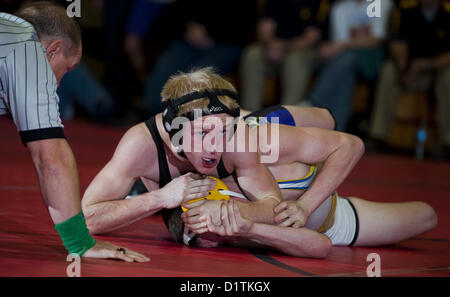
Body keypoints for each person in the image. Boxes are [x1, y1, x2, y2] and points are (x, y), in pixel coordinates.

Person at [81, 67, 437, 258]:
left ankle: (287, 114)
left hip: (304, 190)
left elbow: (272, 204)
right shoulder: (139, 146)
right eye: (204, 133)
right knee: (425, 216)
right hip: (306, 221)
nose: (214, 146)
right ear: (175, 131)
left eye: (221, 132)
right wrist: (160, 198)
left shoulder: (241, 139)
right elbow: (85, 221)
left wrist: (234, 216)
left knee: (318, 121)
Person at [0, 2, 148, 262]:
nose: (58, 83)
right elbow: (51, 159)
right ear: (53, 50)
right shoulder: (28, 49)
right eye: (66, 69)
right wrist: (80, 242)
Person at [369, 0, 450, 157]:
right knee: (388, 70)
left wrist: (426, 64)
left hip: (437, 69)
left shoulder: (447, 11)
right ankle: (378, 135)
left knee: (449, 77)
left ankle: (447, 142)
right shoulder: (404, 8)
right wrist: (402, 67)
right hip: (408, 66)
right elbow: (396, 41)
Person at [306, 0, 393, 131]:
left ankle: (312, 102)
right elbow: (341, 41)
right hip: (345, 60)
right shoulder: (341, 7)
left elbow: (376, 40)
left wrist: (343, 45)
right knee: (345, 73)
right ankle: (337, 129)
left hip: (373, 58)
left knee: (347, 60)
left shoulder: (381, 3)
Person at [239, 0, 331, 111]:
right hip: (274, 46)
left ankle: (287, 114)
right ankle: (249, 114)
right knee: (252, 54)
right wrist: (271, 44)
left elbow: (310, 38)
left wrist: (283, 47)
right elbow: (264, 28)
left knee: (294, 60)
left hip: (306, 51)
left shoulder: (319, 3)